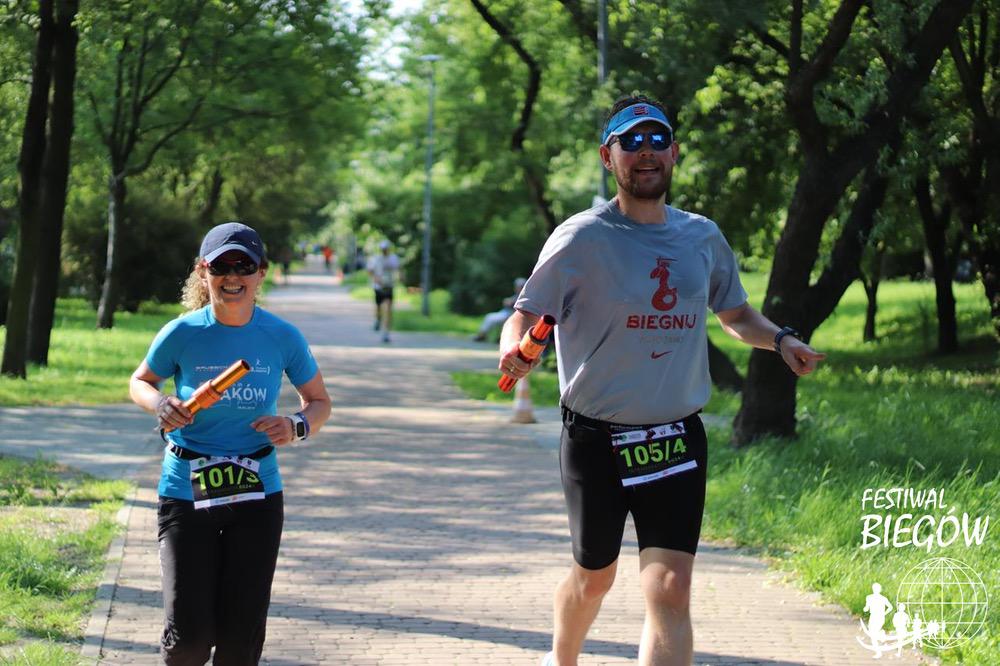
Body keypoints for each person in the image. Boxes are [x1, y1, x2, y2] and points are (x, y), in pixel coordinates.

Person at [498, 95, 825, 666]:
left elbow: (735, 313)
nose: (645, 152)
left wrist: (781, 340)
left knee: (670, 588)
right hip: (596, 439)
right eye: (631, 141)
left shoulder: (702, 237)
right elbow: (524, 316)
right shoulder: (581, 238)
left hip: (674, 438)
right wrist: (513, 349)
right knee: (594, 578)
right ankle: (561, 658)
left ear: (674, 152)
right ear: (608, 157)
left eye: (657, 140)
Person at [129, 222, 332, 665]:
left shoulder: (282, 336)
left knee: (240, 642)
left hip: (258, 492)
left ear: (261, 273)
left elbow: (319, 402)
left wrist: (296, 426)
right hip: (186, 489)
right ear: (204, 272)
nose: (233, 276)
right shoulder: (182, 332)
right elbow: (141, 381)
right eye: (222, 266)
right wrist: (161, 403)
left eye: (244, 265)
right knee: (188, 642)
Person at [472, 277, 527, 342]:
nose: (516, 288)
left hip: (510, 315)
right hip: (506, 313)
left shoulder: (523, 296)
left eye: (519, 286)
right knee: (492, 317)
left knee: (489, 317)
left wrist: (510, 302)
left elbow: (516, 306)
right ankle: (497, 338)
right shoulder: (517, 295)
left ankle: (482, 335)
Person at [367, 239, 399, 343]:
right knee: (378, 308)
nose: (384, 250)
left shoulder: (393, 258)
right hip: (378, 287)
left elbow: (398, 269)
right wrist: (376, 279)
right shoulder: (376, 259)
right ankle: (377, 319)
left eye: (386, 249)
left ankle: (386, 333)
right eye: (383, 249)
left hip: (389, 286)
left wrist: (399, 277)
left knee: (388, 309)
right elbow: (370, 271)